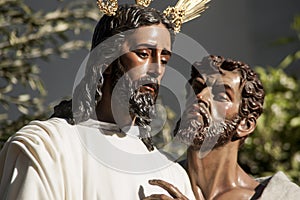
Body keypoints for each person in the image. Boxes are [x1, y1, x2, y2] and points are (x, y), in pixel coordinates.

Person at [0, 3, 198, 199]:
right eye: (143, 54)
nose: (157, 70)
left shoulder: (172, 175)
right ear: (106, 60)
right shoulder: (48, 147)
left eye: (164, 60)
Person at [145, 55, 300, 199]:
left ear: (245, 124)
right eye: (197, 88)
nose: (200, 97)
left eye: (221, 96)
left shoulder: (281, 196)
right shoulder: (154, 180)